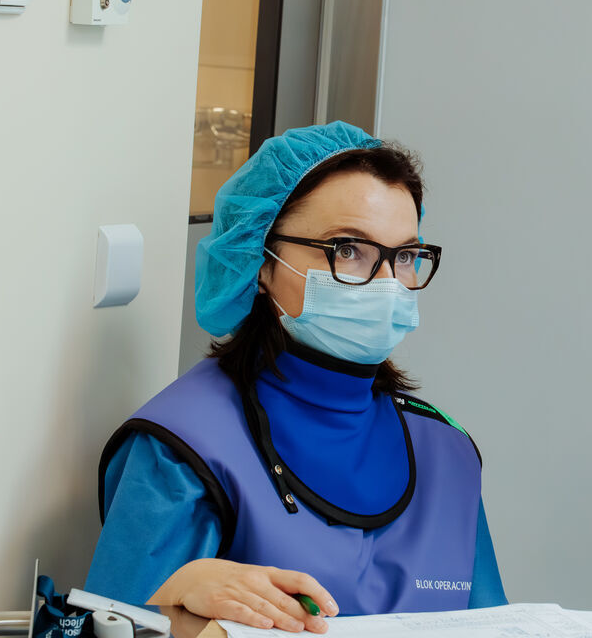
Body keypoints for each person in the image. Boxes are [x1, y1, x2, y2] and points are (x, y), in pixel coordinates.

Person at [86, 122, 505, 631]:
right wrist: (176, 601)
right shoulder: (184, 446)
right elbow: (115, 624)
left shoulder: (446, 451)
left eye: (404, 256)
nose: (387, 284)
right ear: (261, 262)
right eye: (348, 250)